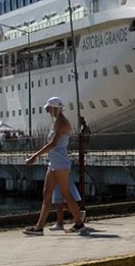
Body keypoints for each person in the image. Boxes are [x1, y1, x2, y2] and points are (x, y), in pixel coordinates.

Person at [23, 97, 85, 234]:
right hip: (54, 162)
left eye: (49, 108)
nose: (48, 111)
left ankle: (79, 222)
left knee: (66, 194)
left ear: (56, 108)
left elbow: (53, 144)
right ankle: (39, 227)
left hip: (60, 163)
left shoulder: (62, 123)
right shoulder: (57, 122)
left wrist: (35, 156)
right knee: (47, 194)